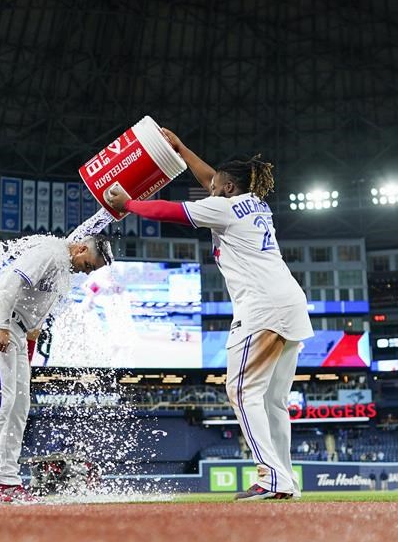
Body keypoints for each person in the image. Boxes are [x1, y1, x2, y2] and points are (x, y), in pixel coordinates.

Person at [107, 129, 313, 501]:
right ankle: (286, 481)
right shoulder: (253, 204)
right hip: (290, 303)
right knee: (272, 402)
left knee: (241, 390)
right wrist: (182, 148)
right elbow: (210, 178)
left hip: (262, 307)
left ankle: (271, 478)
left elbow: (169, 211)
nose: (209, 189)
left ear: (228, 188)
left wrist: (129, 203)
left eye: (216, 186)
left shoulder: (223, 206)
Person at [0, 234, 113, 502]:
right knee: (0, 401)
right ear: (80, 249)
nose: (86, 271)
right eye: (89, 265)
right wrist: (3, 325)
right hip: (0, 323)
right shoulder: (49, 252)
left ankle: (9, 481)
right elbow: (12, 281)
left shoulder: (63, 265)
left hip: (18, 333)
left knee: (19, 407)